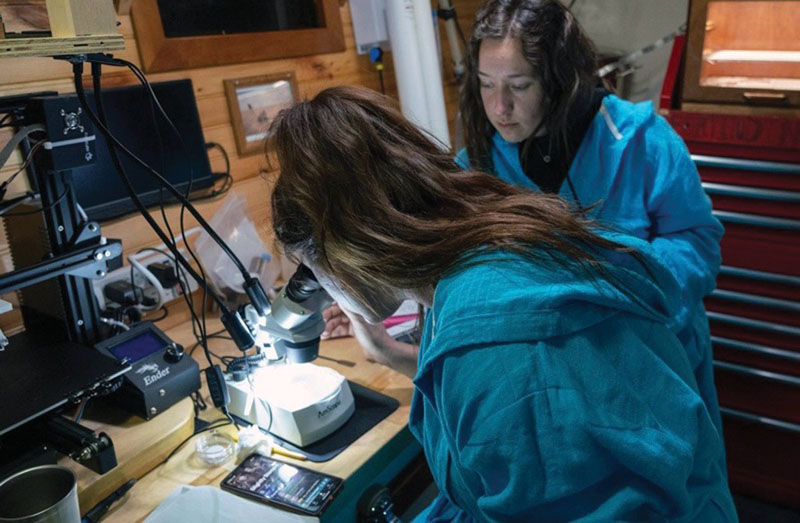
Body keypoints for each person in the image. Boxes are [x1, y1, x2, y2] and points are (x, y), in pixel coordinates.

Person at [268, 86, 737, 521]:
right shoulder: (485, 248)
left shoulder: (503, 352)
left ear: (346, 249)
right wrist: (393, 353)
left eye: (314, 267)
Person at [328, 0, 726, 436]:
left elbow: (698, 246)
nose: (499, 108)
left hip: (653, 368)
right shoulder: (477, 166)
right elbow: (446, 265)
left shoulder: (641, 141)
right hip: (554, 383)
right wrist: (374, 303)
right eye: (485, 85)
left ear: (561, 82)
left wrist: (604, 272)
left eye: (518, 86)